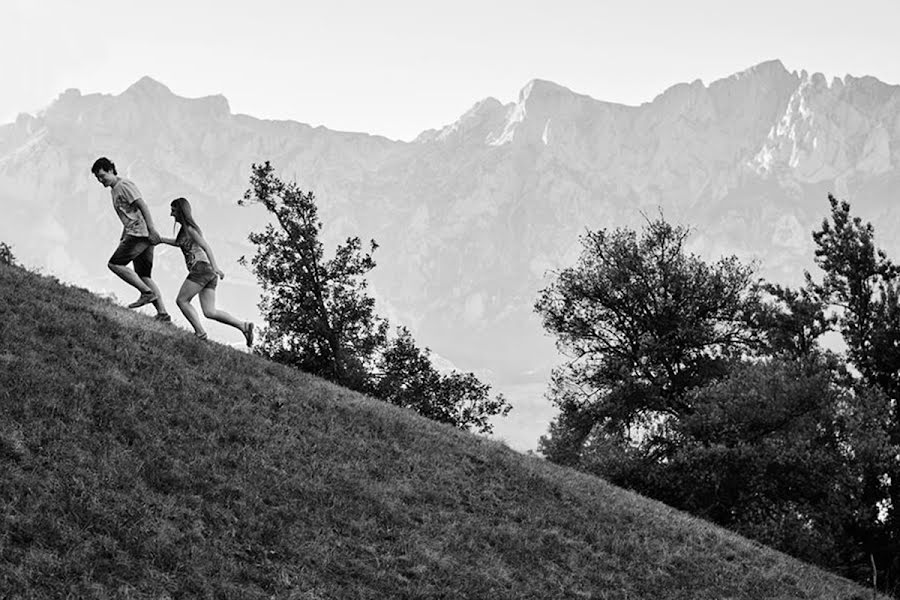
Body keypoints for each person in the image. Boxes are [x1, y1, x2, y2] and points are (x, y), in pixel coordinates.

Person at [158, 197, 254, 346]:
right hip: (208, 273)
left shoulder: (190, 229)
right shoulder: (185, 230)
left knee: (182, 301)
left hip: (201, 269)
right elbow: (178, 243)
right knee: (210, 312)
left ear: (181, 211)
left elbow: (206, 247)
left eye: (173, 210)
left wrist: (216, 267)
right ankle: (243, 326)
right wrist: (160, 239)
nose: (171, 214)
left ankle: (200, 334)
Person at [91, 157, 171, 321]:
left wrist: (152, 230)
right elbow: (128, 213)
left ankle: (147, 293)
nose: (100, 180)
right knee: (144, 275)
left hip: (139, 234)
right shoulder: (114, 189)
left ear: (111, 170)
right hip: (137, 233)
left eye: (102, 175)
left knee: (115, 264)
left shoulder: (124, 186)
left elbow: (142, 206)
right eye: (98, 178)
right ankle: (163, 314)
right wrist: (123, 234)